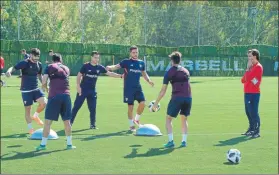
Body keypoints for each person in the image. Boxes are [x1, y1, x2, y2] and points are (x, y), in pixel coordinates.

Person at [106, 45, 154, 131]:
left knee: (142, 103)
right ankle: (131, 125)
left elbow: (144, 73)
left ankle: (136, 119)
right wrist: (110, 67)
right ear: (130, 53)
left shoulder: (141, 63)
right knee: (130, 107)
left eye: (136, 52)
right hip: (128, 88)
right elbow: (116, 66)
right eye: (133, 52)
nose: (135, 54)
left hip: (138, 88)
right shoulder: (126, 62)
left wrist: (149, 81)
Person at [71, 51, 123, 129]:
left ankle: (92, 125)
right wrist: (78, 86)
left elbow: (110, 73)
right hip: (83, 90)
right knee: (76, 107)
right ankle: (69, 123)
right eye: (95, 57)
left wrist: (121, 76)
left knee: (93, 108)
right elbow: (79, 75)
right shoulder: (86, 66)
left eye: (98, 58)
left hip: (92, 91)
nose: (96, 59)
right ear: (91, 57)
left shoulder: (100, 67)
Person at [152, 51, 192, 148]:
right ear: (180, 60)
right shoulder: (186, 71)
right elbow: (188, 86)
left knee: (168, 119)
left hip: (177, 98)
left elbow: (163, 90)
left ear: (171, 61)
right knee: (184, 118)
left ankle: (171, 142)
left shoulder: (169, 72)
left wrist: (156, 103)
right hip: (188, 98)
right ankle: (184, 142)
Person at [36, 53, 76, 150]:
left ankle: (43, 145)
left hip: (54, 96)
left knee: (48, 122)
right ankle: (69, 144)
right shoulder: (67, 68)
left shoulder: (49, 66)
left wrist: (46, 88)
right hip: (66, 96)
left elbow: (44, 81)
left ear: (53, 60)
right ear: (61, 60)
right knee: (67, 122)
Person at [6, 48, 46, 134]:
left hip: (35, 89)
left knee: (44, 103)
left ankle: (35, 116)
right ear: (31, 55)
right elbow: (13, 67)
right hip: (26, 91)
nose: (36, 60)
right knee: (28, 110)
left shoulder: (39, 64)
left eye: (37, 58)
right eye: (35, 57)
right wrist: (9, 72)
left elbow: (39, 75)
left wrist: (44, 84)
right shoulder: (24, 63)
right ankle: (30, 129)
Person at [241, 49, 263, 138]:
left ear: (255, 56)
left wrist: (247, 69)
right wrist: (248, 73)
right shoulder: (252, 68)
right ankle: (251, 129)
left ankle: (256, 131)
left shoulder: (258, 67)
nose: (248, 58)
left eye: (250, 56)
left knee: (253, 112)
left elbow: (249, 77)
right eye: (248, 56)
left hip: (254, 93)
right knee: (248, 112)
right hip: (247, 92)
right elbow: (243, 80)